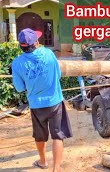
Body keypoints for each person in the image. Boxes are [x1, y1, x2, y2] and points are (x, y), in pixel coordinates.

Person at [12, 28, 72, 171]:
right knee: (58, 135)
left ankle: (43, 162)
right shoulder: (49, 54)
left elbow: (19, 88)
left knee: (40, 135)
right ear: (36, 42)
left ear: (21, 46)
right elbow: (57, 75)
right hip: (54, 102)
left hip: (36, 105)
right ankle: (56, 169)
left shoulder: (17, 63)